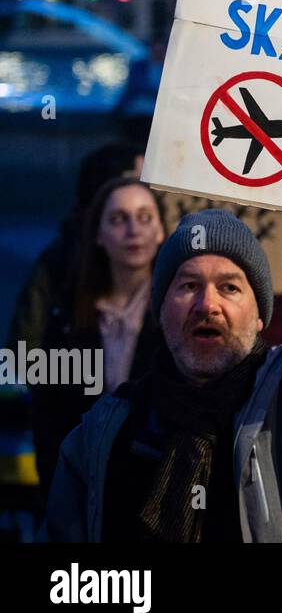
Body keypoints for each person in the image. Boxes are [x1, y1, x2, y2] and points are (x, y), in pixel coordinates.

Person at [40, 15, 282, 542]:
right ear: (159, 307)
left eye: (230, 287)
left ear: (261, 314)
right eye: (187, 285)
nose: (206, 303)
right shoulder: (100, 438)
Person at [31, 178, 166, 498]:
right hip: (81, 487)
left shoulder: (175, 313)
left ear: (161, 231)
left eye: (145, 217)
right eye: (119, 219)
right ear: (99, 235)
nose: (134, 230)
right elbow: (48, 418)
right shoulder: (65, 315)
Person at [6, 142, 143, 352]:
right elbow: (23, 348)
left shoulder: (162, 257)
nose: (145, 194)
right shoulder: (59, 262)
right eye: (135, 183)